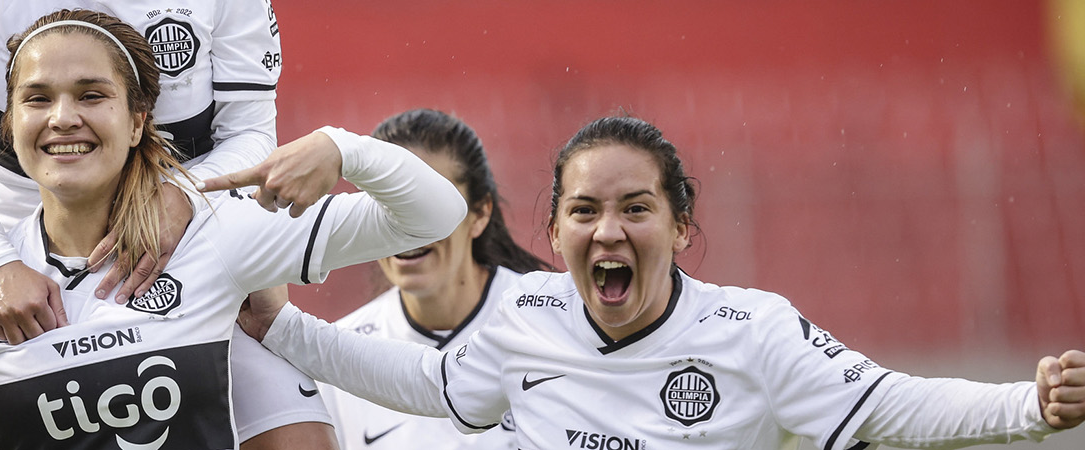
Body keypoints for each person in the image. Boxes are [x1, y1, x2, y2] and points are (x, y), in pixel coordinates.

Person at [0, 9, 466, 450]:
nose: (63, 119)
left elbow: (437, 214)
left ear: (139, 118)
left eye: (92, 96)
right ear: (9, 125)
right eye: (37, 99)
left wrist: (344, 147)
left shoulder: (217, 236)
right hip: (0, 265)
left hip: (180, 217)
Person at [237, 115, 1085, 449]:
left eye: (635, 208)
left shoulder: (752, 332)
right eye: (584, 211)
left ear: (681, 227)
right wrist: (279, 326)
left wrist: (1030, 404)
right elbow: (423, 383)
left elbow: (894, 404)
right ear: (557, 230)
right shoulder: (524, 317)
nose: (608, 230)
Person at [0, 1, 333, 448]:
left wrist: (188, 197)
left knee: (302, 438)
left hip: (183, 248)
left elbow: (250, 132)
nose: (64, 117)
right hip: (10, 266)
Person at [320, 109, 551, 450]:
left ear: (480, 213)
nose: (409, 224)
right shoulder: (333, 358)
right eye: (387, 199)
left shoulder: (551, 322)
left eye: (431, 201)